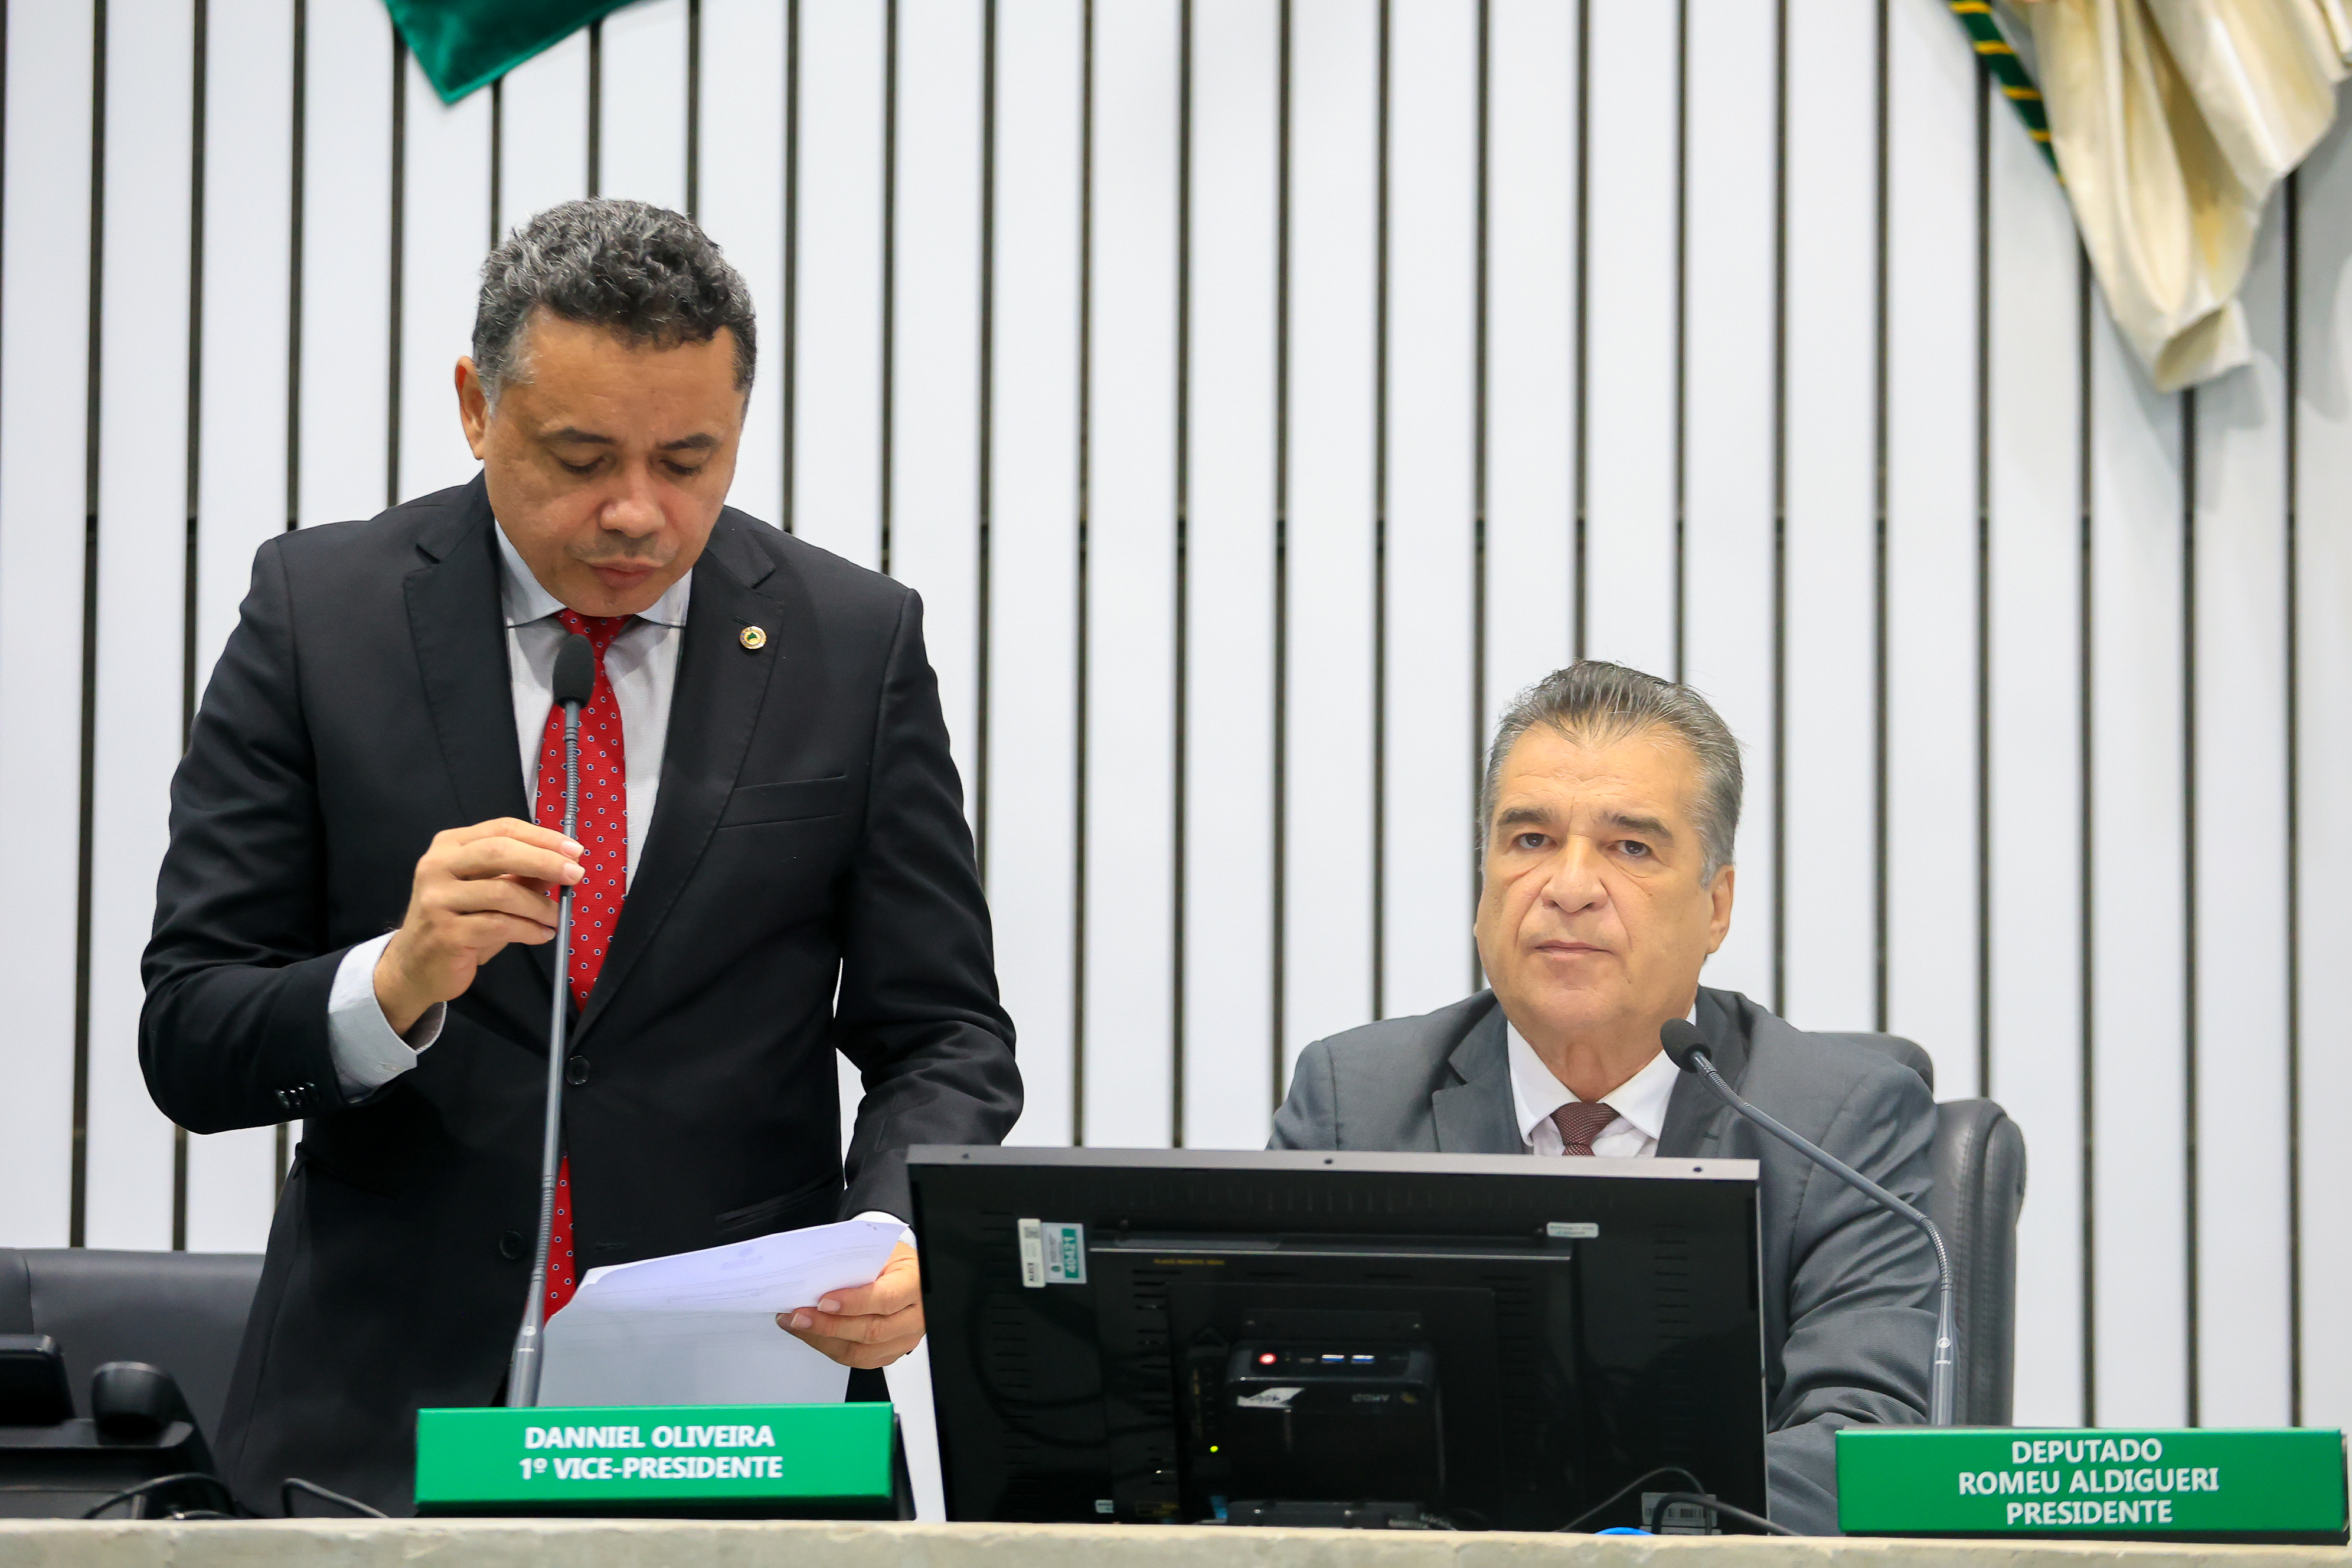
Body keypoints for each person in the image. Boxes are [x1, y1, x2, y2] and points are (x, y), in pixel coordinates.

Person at [139, 200, 1020, 1514]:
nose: (637, 513)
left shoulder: (852, 639)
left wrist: (897, 1231)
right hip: (380, 1428)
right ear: (475, 407)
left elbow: (944, 1031)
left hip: (739, 1429)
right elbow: (191, 1033)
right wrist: (392, 981)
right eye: (581, 456)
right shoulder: (320, 617)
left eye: (689, 460)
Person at [1269, 660, 1935, 1535]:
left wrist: (1593, 1520)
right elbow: (1269, 1419)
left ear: (1717, 906)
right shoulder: (1353, 1102)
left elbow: (1863, 1450)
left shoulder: (1838, 1121)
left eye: (1631, 848)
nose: (1570, 887)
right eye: (1530, 840)